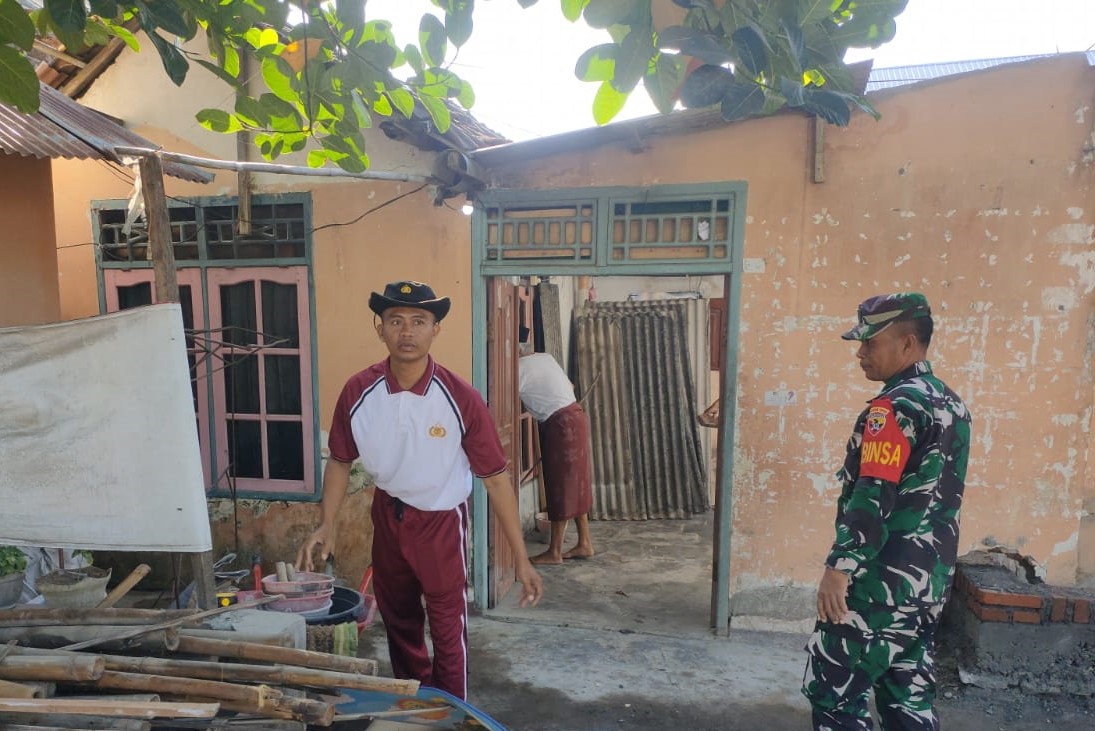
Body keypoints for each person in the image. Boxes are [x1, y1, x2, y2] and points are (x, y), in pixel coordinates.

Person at [296, 280, 543, 701]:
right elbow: (339, 460)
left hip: (441, 520)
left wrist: (521, 558)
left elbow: (496, 479)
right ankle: (414, 701)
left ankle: (450, 708)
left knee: (448, 625)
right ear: (380, 328)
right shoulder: (359, 391)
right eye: (396, 321)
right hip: (388, 513)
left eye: (418, 321)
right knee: (399, 619)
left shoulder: (459, 396)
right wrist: (327, 524)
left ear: (435, 330)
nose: (406, 332)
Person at [802, 293, 972, 731]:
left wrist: (839, 569)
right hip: (926, 588)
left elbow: (872, 497)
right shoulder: (952, 405)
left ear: (907, 344)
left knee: (837, 700)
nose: (860, 353)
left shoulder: (893, 408)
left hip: (876, 587)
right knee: (908, 700)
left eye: (869, 343)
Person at [517, 345, 595, 564]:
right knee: (577, 483)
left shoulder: (517, 368)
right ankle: (585, 543)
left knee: (560, 486)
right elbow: (569, 385)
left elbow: (503, 398)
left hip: (561, 425)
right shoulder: (545, 357)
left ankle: (554, 551)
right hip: (576, 416)